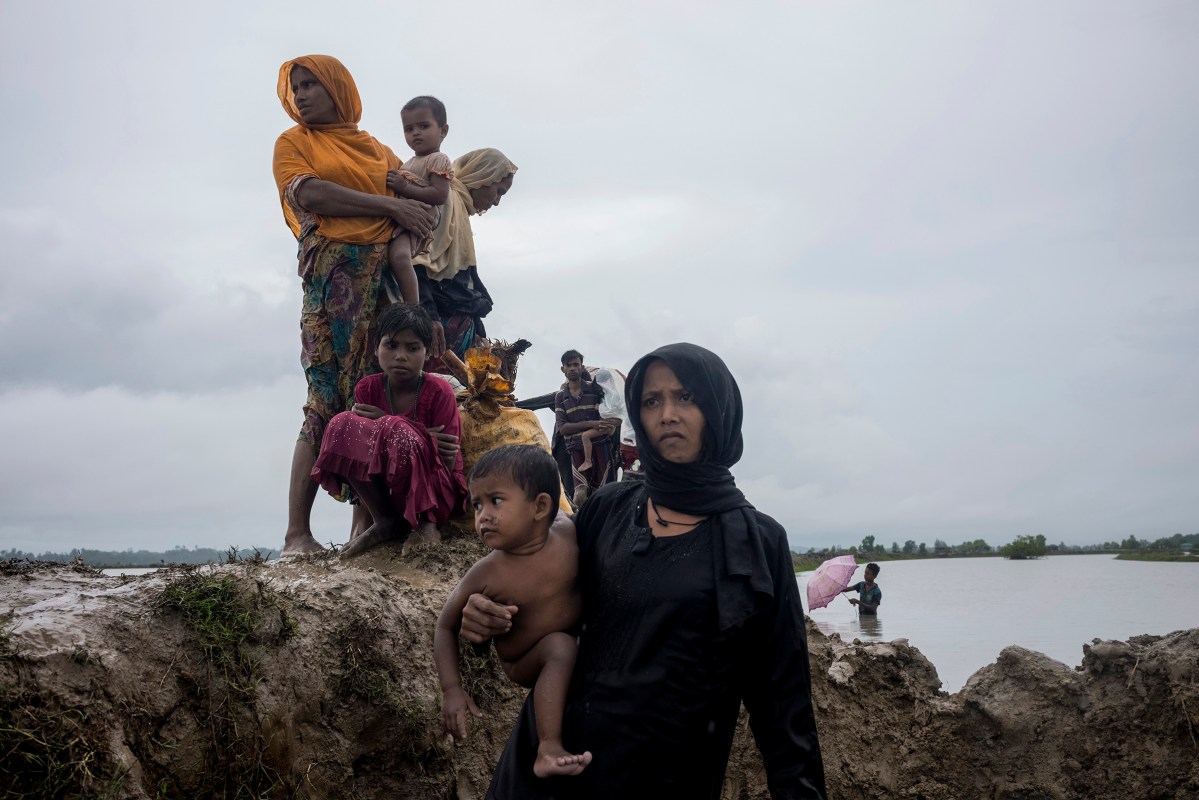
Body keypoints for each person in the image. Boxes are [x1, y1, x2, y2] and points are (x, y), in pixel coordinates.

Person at [461, 343, 826, 799]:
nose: (667, 414)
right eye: (652, 401)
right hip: (548, 772)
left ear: (719, 408)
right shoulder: (607, 509)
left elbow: (784, 712)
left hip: (661, 778)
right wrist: (483, 618)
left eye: (686, 397)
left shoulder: (757, 544)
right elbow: (538, 603)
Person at [274, 55, 438, 556]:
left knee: (373, 395)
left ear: (338, 89)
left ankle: (360, 532)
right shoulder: (294, 143)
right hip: (330, 284)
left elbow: (424, 203)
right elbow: (314, 194)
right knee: (323, 397)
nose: (300, 95)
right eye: (295, 87)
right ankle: (297, 535)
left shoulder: (379, 150)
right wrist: (390, 205)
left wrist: (415, 209)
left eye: (311, 85)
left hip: (382, 283)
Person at [434, 445, 592, 779]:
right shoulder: (487, 573)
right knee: (560, 647)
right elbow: (445, 626)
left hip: (583, 650)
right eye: (477, 505)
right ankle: (548, 748)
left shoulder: (569, 534)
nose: (482, 516)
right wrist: (452, 690)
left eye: (496, 501)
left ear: (540, 506)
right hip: (524, 659)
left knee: (567, 645)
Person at [310, 304, 466, 556]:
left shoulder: (440, 391)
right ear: (376, 348)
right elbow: (363, 454)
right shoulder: (367, 389)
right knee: (341, 424)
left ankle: (426, 524)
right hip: (389, 493)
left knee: (394, 428)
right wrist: (422, 436)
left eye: (412, 348)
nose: (400, 356)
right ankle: (384, 520)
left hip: (438, 492)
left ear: (426, 354)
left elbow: (448, 461)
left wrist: (393, 424)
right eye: (391, 345)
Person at [412, 148, 519, 372]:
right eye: (498, 191)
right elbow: (420, 263)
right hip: (435, 331)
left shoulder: (458, 207)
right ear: (482, 178)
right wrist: (429, 316)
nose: (497, 202)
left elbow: (462, 279)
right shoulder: (447, 201)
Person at [384, 96, 453, 306]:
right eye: (408, 129)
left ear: (443, 130)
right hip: (401, 217)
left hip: (418, 218)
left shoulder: (438, 159)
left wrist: (404, 187)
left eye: (424, 126)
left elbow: (439, 195)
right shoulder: (409, 163)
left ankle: (413, 309)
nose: (415, 133)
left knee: (400, 258)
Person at [554, 351, 617, 506]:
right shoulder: (560, 397)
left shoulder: (595, 389)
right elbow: (562, 428)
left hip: (601, 445)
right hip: (576, 449)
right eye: (569, 365)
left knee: (604, 493)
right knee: (580, 493)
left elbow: (610, 407)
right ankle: (579, 525)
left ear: (582, 367)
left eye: (576, 364)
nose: (572, 368)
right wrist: (591, 424)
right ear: (563, 369)